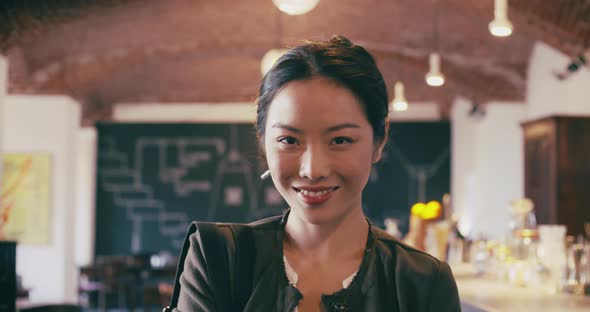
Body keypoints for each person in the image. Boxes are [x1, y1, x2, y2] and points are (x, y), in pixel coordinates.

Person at [172, 35, 461, 311]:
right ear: (262, 140)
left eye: (340, 140)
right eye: (289, 140)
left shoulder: (422, 282)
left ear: (380, 138)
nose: (313, 170)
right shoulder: (217, 259)